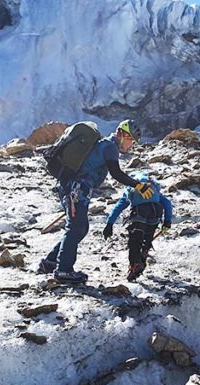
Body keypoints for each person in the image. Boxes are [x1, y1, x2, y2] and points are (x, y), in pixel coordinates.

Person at [38, 119, 153, 283]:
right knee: (76, 228)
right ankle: (63, 270)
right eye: (131, 141)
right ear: (123, 134)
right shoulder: (110, 147)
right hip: (76, 189)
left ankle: (50, 262)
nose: (131, 146)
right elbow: (116, 173)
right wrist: (138, 186)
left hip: (71, 187)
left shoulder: (104, 145)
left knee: (80, 228)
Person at [102, 173, 173, 281]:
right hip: (156, 211)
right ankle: (142, 259)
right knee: (147, 239)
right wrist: (167, 223)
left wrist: (109, 224)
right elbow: (167, 204)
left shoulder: (131, 188)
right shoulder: (153, 188)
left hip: (140, 211)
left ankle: (134, 264)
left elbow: (119, 207)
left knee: (135, 240)